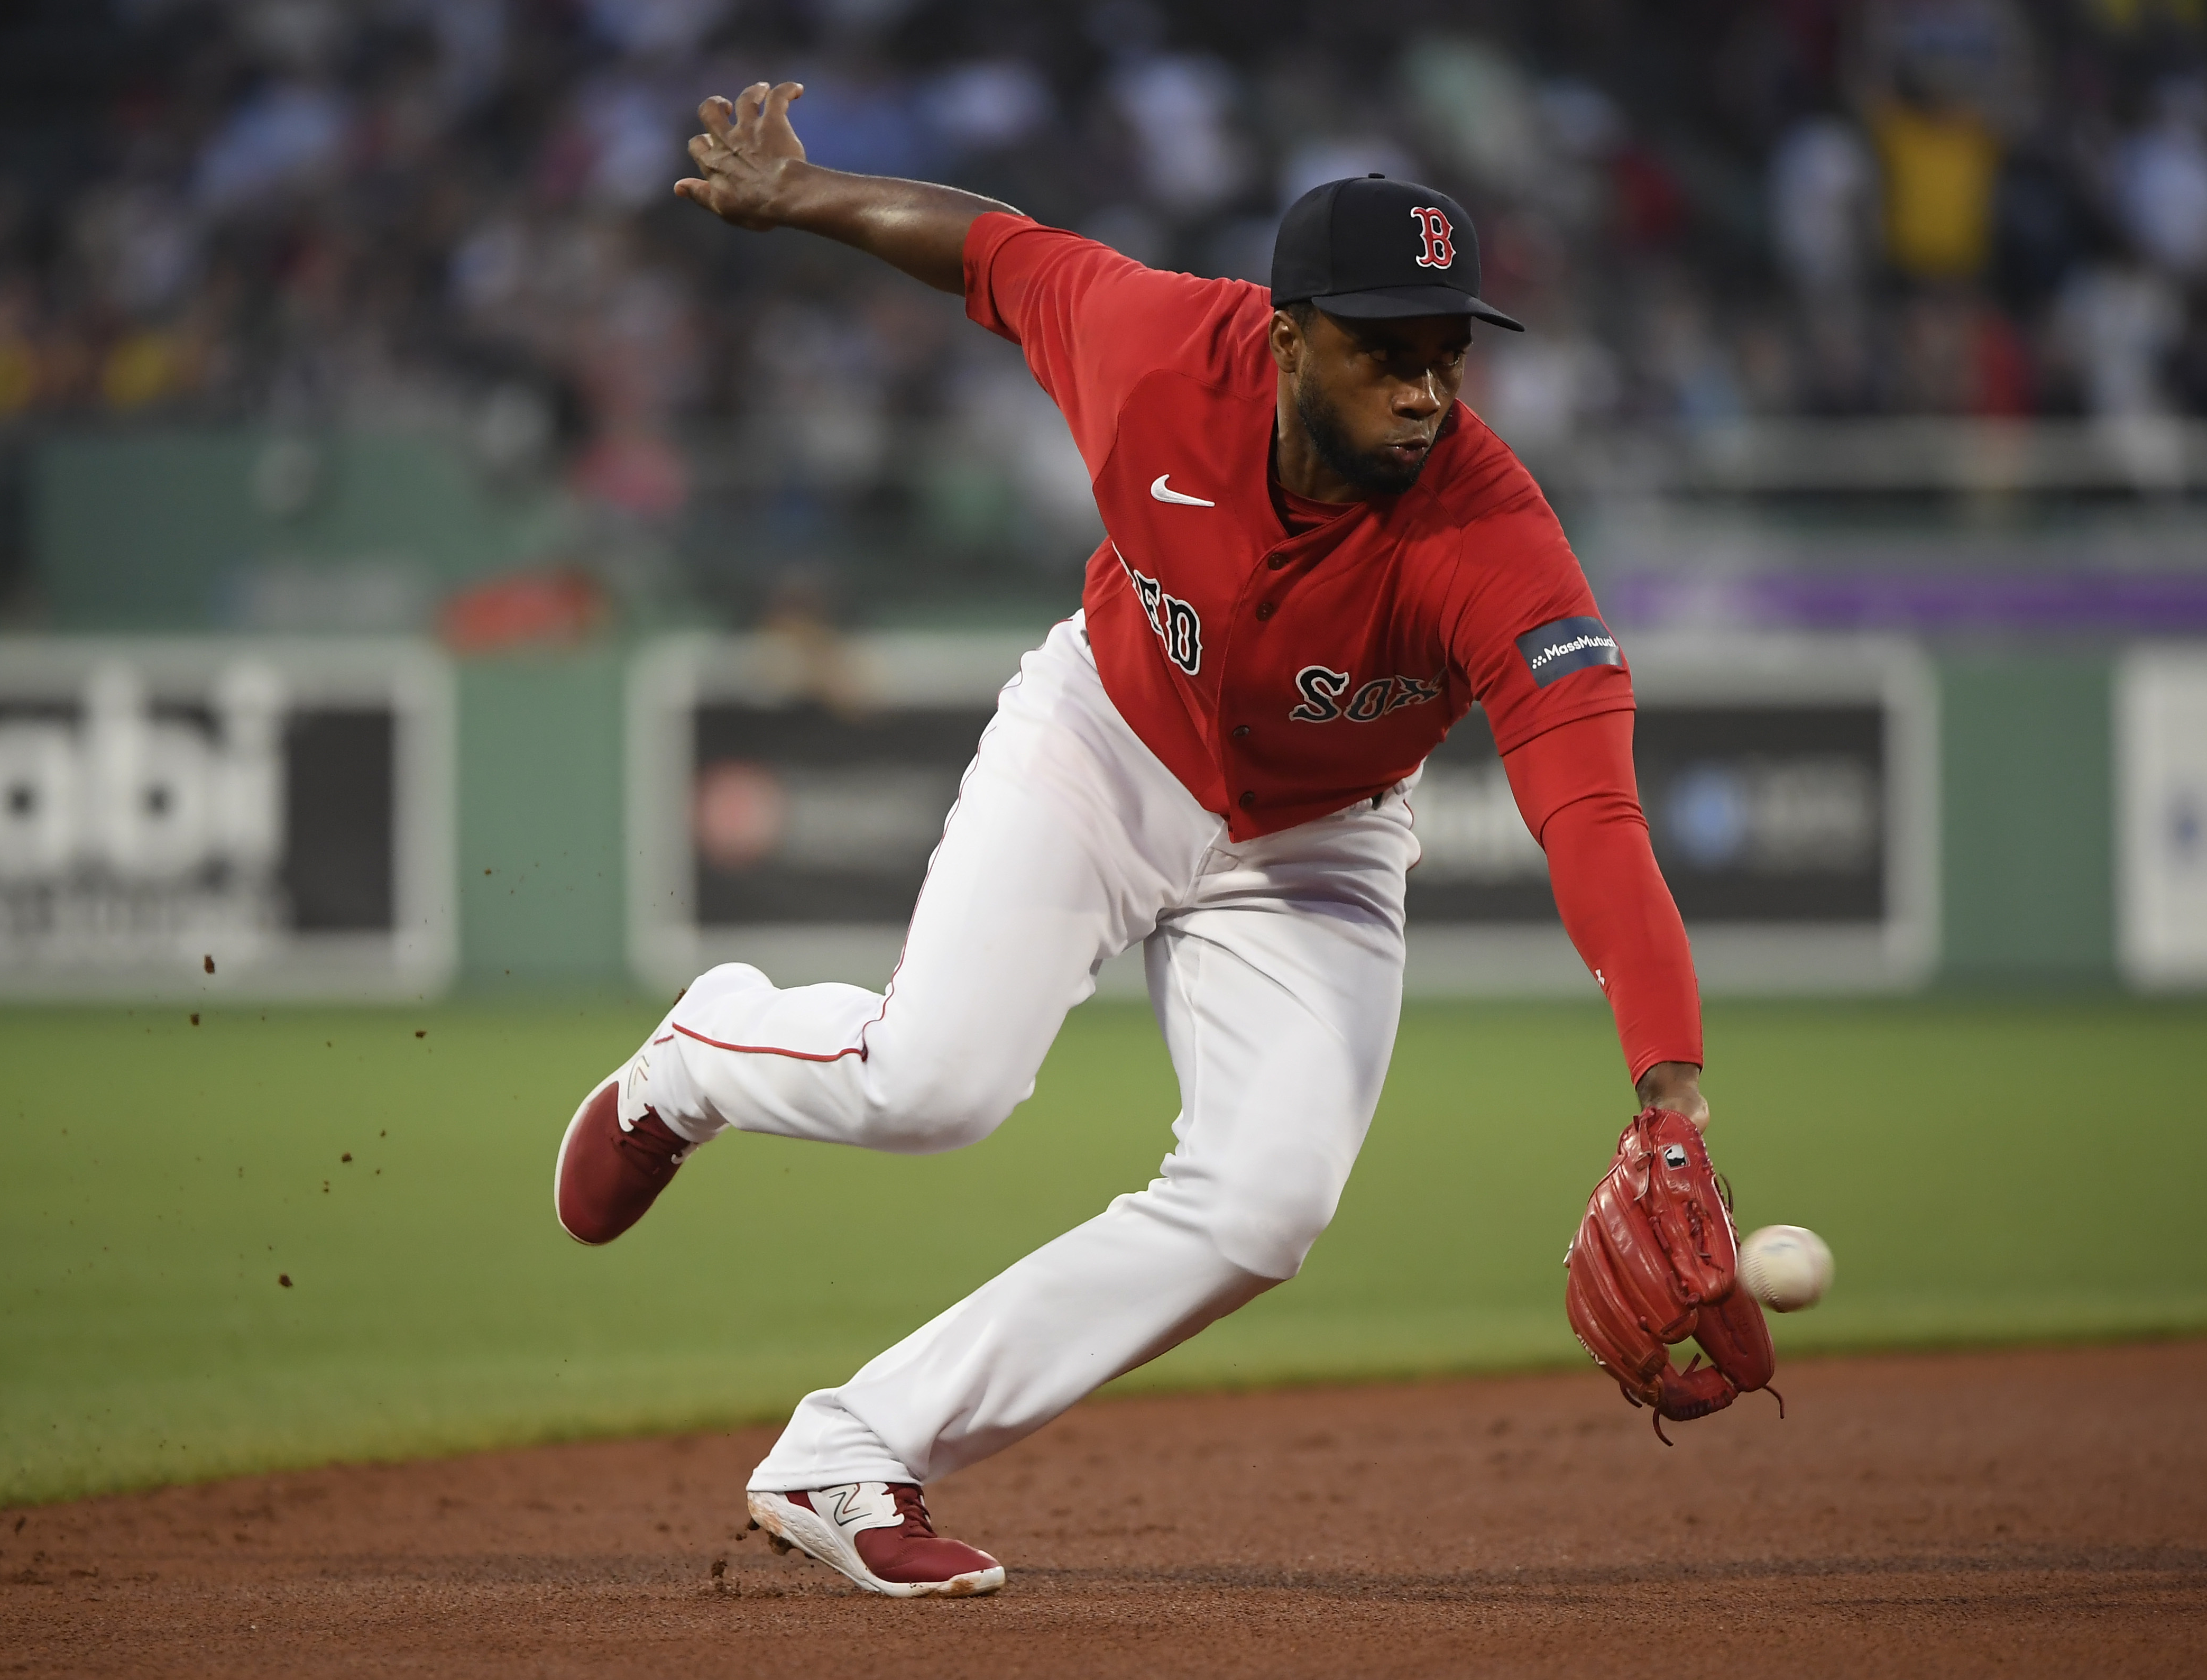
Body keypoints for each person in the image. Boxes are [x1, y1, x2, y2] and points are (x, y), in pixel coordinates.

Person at [554, 82, 1708, 1599]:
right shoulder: (1160, 343)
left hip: (1319, 840)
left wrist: (1668, 1093)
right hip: (1105, 737)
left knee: (1267, 1201)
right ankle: (699, 1055)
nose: (1425, 393)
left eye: (1447, 355)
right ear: (1288, 338)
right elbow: (993, 251)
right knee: (935, 1086)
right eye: (1385, 353)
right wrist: (805, 190)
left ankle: (854, 1447)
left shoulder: (1491, 538)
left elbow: (1592, 811)